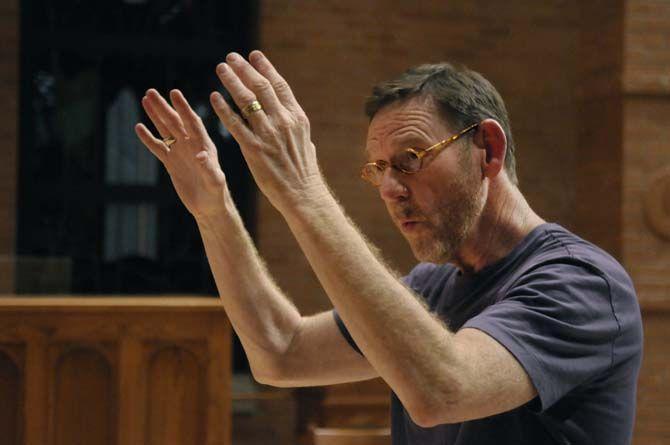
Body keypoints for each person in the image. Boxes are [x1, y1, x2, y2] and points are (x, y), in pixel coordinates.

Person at [134, 50, 643, 445]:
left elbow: (443, 389)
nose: (389, 189)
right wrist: (214, 214)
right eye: (378, 169)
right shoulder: (433, 285)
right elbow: (281, 353)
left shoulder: (582, 284)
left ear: (487, 149)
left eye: (411, 158)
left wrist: (304, 192)